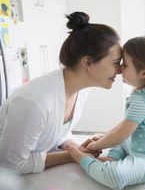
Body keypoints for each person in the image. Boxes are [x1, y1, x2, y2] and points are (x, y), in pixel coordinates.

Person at [0, 12, 122, 174]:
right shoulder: (34, 102)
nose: (120, 70)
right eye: (115, 63)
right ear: (87, 62)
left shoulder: (80, 90)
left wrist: (74, 147)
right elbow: (10, 166)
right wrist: (71, 155)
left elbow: (56, 130)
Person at [66, 36, 145, 190]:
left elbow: (120, 135)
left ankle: (82, 158)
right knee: (117, 140)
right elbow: (124, 126)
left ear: (144, 74)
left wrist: (95, 146)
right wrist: (106, 138)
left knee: (115, 175)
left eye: (124, 65)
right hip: (138, 146)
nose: (119, 70)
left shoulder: (142, 99)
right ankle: (112, 158)